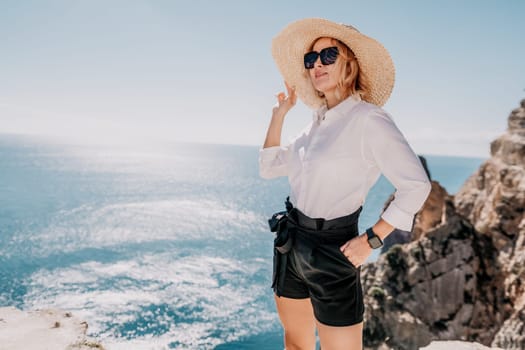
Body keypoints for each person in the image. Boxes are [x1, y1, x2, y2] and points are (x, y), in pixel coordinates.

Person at [259, 18, 431, 350]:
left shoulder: (369, 119)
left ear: (349, 64)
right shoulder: (313, 127)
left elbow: (417, 185)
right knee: (295, 345)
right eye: (310, 60)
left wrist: (372, 238)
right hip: (291, 244)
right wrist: (279, 114)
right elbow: (268, 167)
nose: (316, 65)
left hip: (335, 250)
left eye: (328, 55)